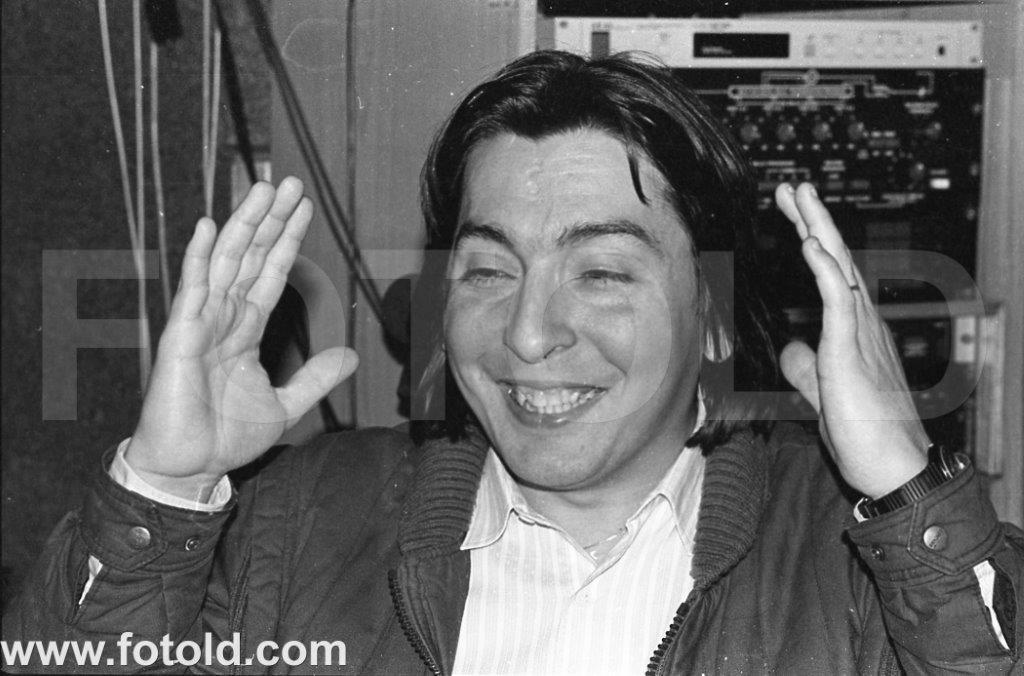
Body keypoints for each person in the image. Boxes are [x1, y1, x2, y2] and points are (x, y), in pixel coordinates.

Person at [3, 50, 1021, 674]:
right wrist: (165, 488)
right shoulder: (296, 525)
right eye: (489, 270)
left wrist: (910, 494)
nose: (530, 333)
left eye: (602, 273)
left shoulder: (862, 567)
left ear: (713, 318)